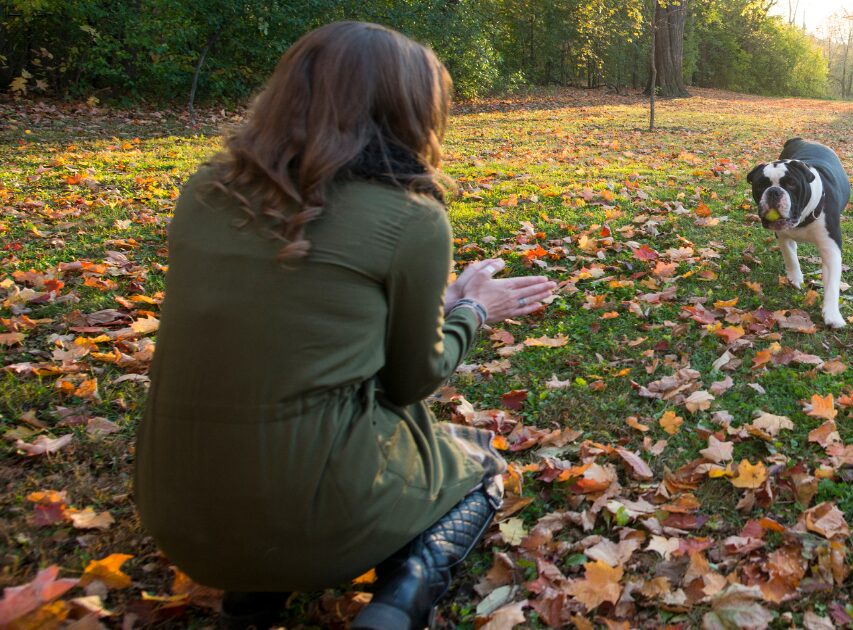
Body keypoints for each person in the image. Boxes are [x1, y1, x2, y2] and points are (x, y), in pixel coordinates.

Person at [133, 21, 555, 630]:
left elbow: (297, 317)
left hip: (177, 517)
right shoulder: (409, 218)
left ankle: (250, 598)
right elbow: (411, 381)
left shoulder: (205, 190)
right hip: (316, 514)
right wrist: (472, 309)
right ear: (408, 110)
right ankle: (398, 603)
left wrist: (442, 293)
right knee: (480, 465)